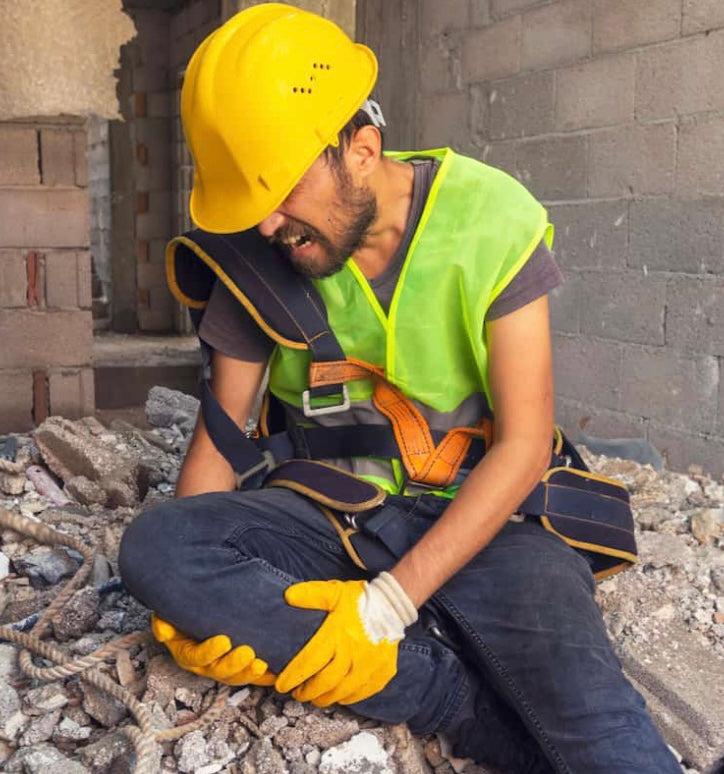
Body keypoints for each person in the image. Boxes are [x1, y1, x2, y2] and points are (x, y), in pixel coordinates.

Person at [119, 5, 681, 772]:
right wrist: (186, 594)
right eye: (253, 208)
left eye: (280, 194)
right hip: (331, 521)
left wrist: (387, 606)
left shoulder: (489, 220)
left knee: (603, 738)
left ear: (361, 150)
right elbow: (216, 449)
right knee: (159, 547)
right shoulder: (256, 258)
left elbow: (522, 446)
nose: (267, 226)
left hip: (489, 524)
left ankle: (440, 671)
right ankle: (439, 693)